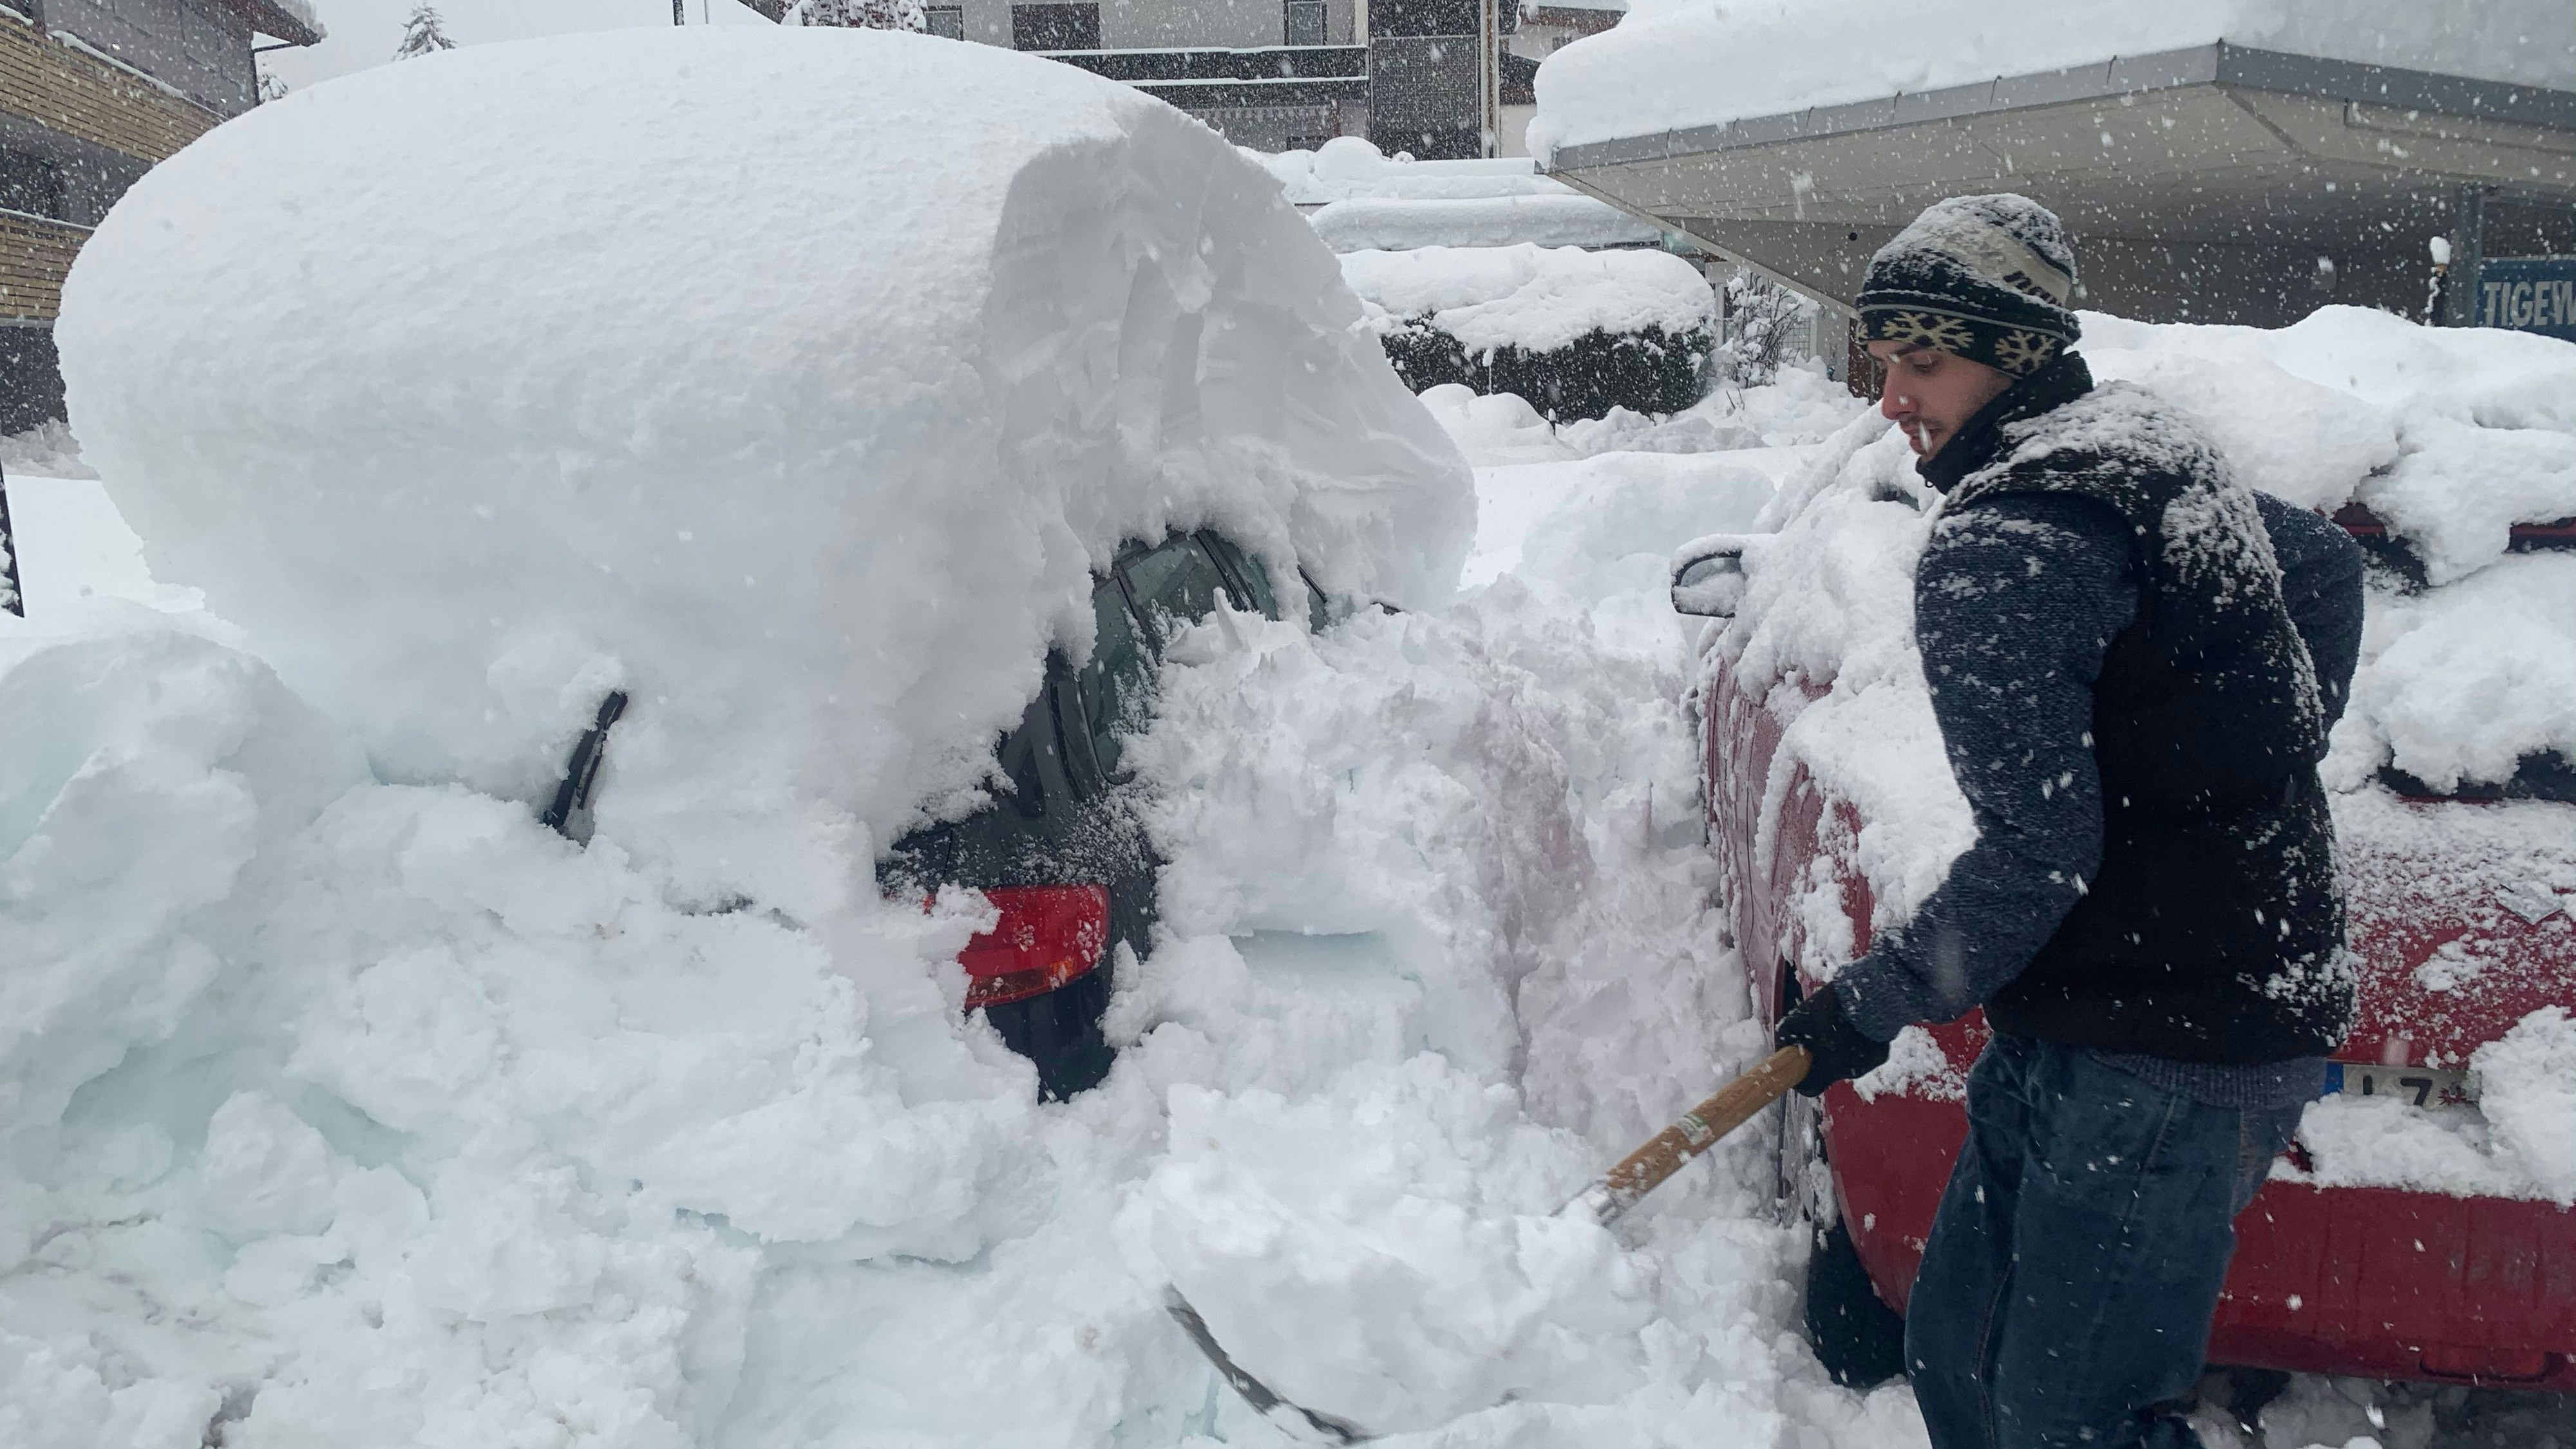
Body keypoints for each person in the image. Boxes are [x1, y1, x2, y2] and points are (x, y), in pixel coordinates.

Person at [1770, 194, 2365, 1449]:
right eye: (1879, 362)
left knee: (2063, 1425)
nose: (1889, 398)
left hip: (2169, 1044)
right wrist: (2235, 753)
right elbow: (2316, 563)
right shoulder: (2134, 441)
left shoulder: (2005, 545)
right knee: (1962, 1363)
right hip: (2120, 1007)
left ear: (2016, 356)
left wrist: (1863, 1006)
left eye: (1919, 362)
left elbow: (2038, 857)